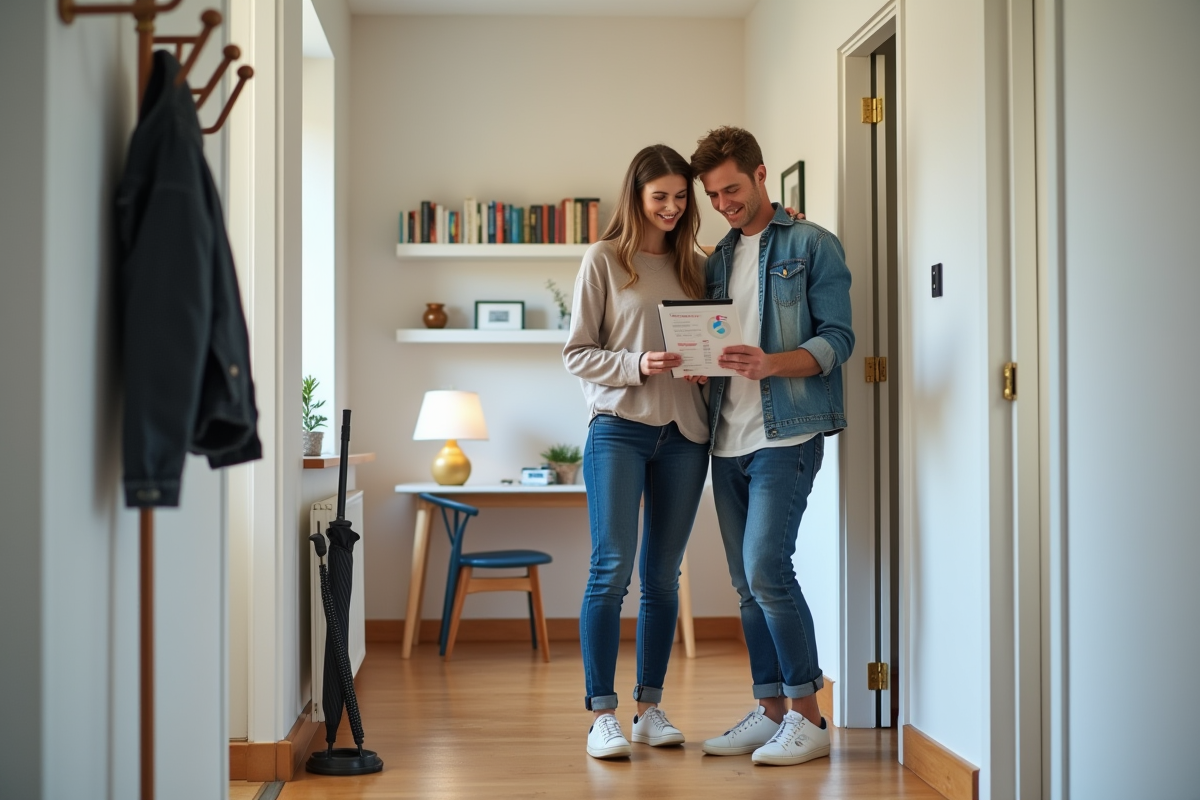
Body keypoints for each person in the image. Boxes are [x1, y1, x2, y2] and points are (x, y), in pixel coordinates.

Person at [689, 126, 855, 766]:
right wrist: (704, 364)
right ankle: (771, 711)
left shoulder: (812, 244)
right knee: (743, 583)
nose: (724, 203)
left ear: (762, 176)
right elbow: (714, 337)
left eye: (732, 188)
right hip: (725, 439)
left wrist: (772, 363)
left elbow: (837, 341)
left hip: (788, 434)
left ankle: (811, 719)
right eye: (713, 195)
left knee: (766, 568)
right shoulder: (716, 260)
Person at [562, 144, 711, 760]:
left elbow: (716, 338)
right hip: (618, 427)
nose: (673, 207)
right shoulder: (603, 260)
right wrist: (637, 363)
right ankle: (603, 714)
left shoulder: (699, 266)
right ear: (637, 197)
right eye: (661, 197)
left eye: (681, 196)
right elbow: (577, 353)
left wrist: (709, 369)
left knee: (662, 577)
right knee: (611, 569)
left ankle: (650, 708)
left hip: (685, 435)